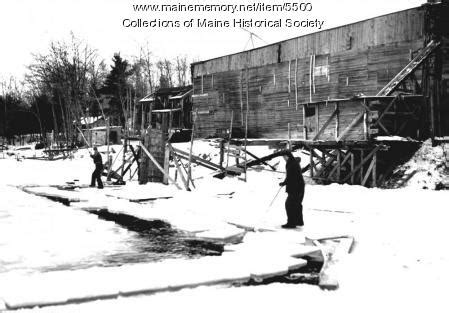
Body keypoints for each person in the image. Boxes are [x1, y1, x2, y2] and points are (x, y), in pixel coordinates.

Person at [279, 151, 305, 228]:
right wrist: (284, 183)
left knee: (290, 205)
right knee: (297, 205)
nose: (284, 158)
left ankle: (291, 223)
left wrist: (284, 183)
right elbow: (290, 176)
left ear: (288, 156)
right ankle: (299, 222)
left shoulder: (291, 164)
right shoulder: (293, 162)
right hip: (299, 187)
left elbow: (291, 177)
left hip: (295, 188)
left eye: (284, 157)